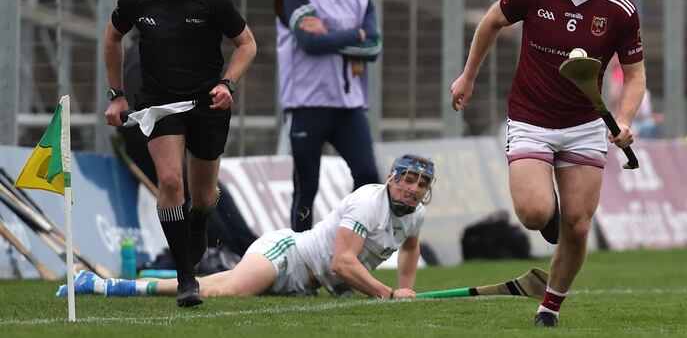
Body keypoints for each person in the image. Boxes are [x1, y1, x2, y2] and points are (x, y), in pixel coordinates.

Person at [450, 0, 645, 328]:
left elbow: (635, 75)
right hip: (531, 117)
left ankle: (549, 307)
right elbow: (490, 22)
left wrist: (623, 120)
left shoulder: (620, 9)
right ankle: (549, 212)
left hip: (585, 123)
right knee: (535, 213)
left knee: (578, 225)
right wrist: (468, 76)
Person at [103, 0, 257, 307]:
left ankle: (199, 225)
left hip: (207, 104)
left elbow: (247, 45)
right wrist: (117, 96)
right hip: (158, 104)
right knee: (171, 182)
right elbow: (110, 39)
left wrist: (229, 84)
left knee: (203, 196)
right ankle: (186, 277)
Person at [57, 153, 435, 301]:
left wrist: (406, 288)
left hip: (305, 284)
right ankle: (111, 286)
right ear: (390, 178)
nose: (413, 188)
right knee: (228, 290)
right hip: (287, 256)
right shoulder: (368, 203)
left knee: (219, 284)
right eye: (407, 179)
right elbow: (342, 262)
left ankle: (103, 282)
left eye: (421, 184)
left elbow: (411, 248)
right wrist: (388, 294)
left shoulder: (415, 215)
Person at [274, 0, 381, 232]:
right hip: (307, 103)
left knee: (367, 177)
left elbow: (374, 47)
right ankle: (300, 256)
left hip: (348, 106)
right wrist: (354, 35)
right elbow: (308, 42)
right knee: (306, 186)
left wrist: (332, 35)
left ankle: (344, 243)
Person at [115, 29, 258, 261]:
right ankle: (233, 248)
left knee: (208, 190)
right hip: (151, 139)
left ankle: (247, 247)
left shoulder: (146, 50)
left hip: (159, 135)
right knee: (197, 196)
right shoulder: (155, 54)